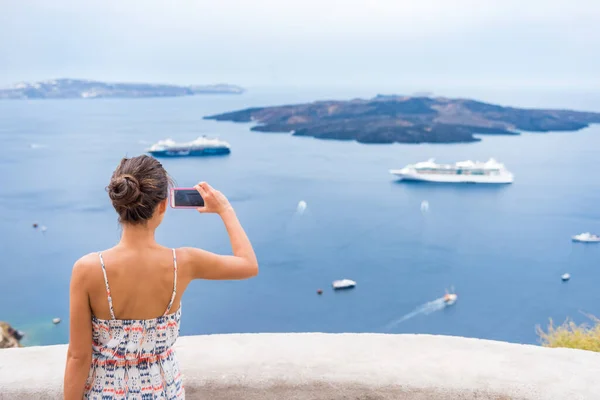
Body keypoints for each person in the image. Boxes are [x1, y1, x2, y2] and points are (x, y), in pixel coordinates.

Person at [63, 155, 258, 399]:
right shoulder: (184, 263)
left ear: (118, 203)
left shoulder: (88, 269)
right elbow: (248, 265)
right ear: (163, 205)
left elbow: (78, 356)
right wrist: (225, 210)